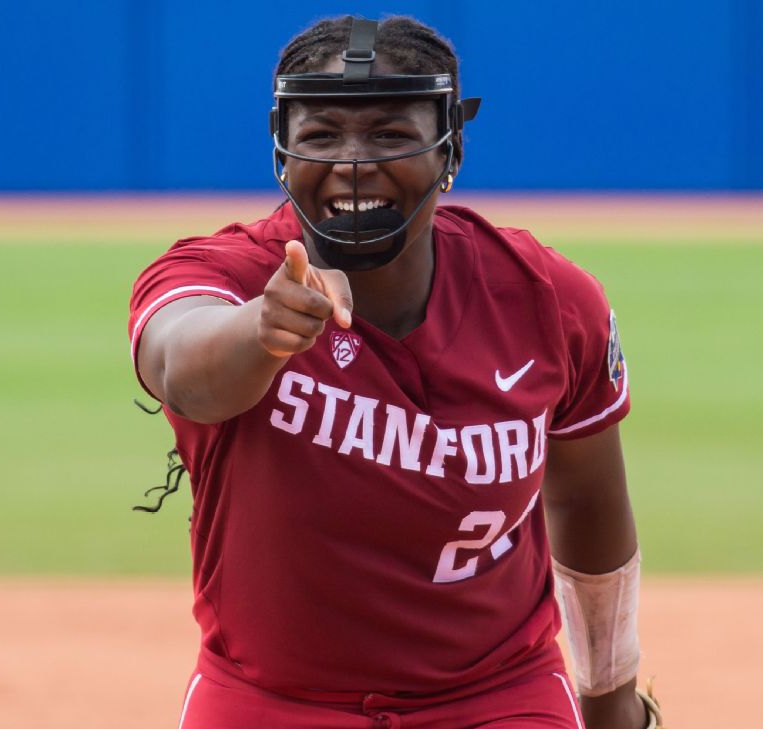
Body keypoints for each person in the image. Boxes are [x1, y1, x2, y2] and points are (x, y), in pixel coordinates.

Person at [128, 15, 661, 729]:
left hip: (496, 697)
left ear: (451, 145)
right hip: (272, 700)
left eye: (389, 133)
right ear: (282, 150)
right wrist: (261, 331)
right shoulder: (222, 275)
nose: (352, 161)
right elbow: (179, 366)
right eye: (321, 134)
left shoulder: (548, 299)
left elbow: (588, 501)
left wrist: (610, 700)